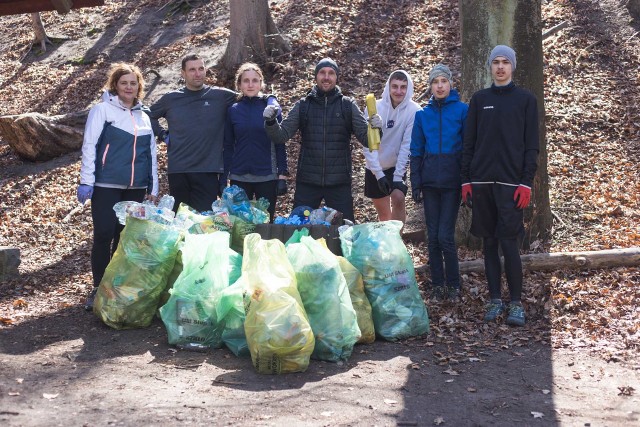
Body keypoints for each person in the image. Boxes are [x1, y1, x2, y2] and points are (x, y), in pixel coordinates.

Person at [460, 45, 539, 326]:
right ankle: (495, 300)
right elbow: (468, 143)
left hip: (511, 185)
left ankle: (516, 303)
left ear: (513, 66)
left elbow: (532, 147)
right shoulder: (480, 100)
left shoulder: (526, 100)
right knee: (489, 243)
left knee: (509, 244)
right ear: (490, 67)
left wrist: (526, 183)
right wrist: (467, 180)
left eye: (506, 62)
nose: (501, 67)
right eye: (496, 62)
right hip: (481, 184)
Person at [77, 62, 158, 310]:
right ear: (115, 85)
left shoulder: (144, 116)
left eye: (133, 83)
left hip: (135, 188)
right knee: (103, 234)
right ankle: (98, 287)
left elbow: (152, 154)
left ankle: (116, 288)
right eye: (124, 83)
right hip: (106, 184)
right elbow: (90, 146)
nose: (129, 87)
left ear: (139, 87)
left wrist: (153, 187)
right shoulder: (102, 110)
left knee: (123, 239)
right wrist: (86, 180)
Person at [263, 58, 374, 222]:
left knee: (344, 234)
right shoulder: (304, 105)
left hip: (339, 183)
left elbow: (368, 140)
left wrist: (376, 127)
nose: (326, 77)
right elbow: (281, 135)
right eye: (322, 73)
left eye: (331, 73)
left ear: (337, 78)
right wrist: (271, 122)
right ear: (316, 77)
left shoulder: (347, 105)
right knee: (299, 230)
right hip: (308, 182)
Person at [146, 54, 237, 212]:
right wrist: (162, 135)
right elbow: (147, 115)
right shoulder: (171, 99)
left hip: (208, 169)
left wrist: (270, 99)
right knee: (180, 221)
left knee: (203, 222)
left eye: (201, 69)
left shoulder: (221, 96)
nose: (197, 73)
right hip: (178, 170)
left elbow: (249, 96)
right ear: (183, 73)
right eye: (192, 70)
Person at [410, 64, 468, 302]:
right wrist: (415, 181)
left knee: (445, 235)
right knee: (432, 237)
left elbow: (467, 149)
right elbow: (416, 150)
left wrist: (467, 183)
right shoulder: (422, 115)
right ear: (431, 86)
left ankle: (453, 284)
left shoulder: (462, 111)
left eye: (444, 81)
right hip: (430, 183)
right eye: (436, 82)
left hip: (453, 184)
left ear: (451, 84)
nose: (440, 85)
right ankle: (437, 285)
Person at [224, 62, 288, 221]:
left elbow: (280, 143)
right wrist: (223, 178)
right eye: (246, 80)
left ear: (261, 83)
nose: (250, 84)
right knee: (239, 225)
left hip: (267, 177)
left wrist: (282, 175)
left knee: (264, 224)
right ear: (239, 84)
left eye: (255, 80)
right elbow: (228, 145)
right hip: (239, 178)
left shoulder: (271, 108)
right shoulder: (233, 110)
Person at [363, 70, 421, 223]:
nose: (399, 91)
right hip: (375, 166)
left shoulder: (414, 111)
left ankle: (398, 241)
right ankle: (387, 243)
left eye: (403, 87)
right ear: (388, 87)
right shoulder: (374, 108)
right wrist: (378, 174)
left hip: (396, 166)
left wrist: (397, 176)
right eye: (394, 86)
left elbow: (407, 145)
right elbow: (368, 145)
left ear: (408, 89)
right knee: (384, 215)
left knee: (398, 198)